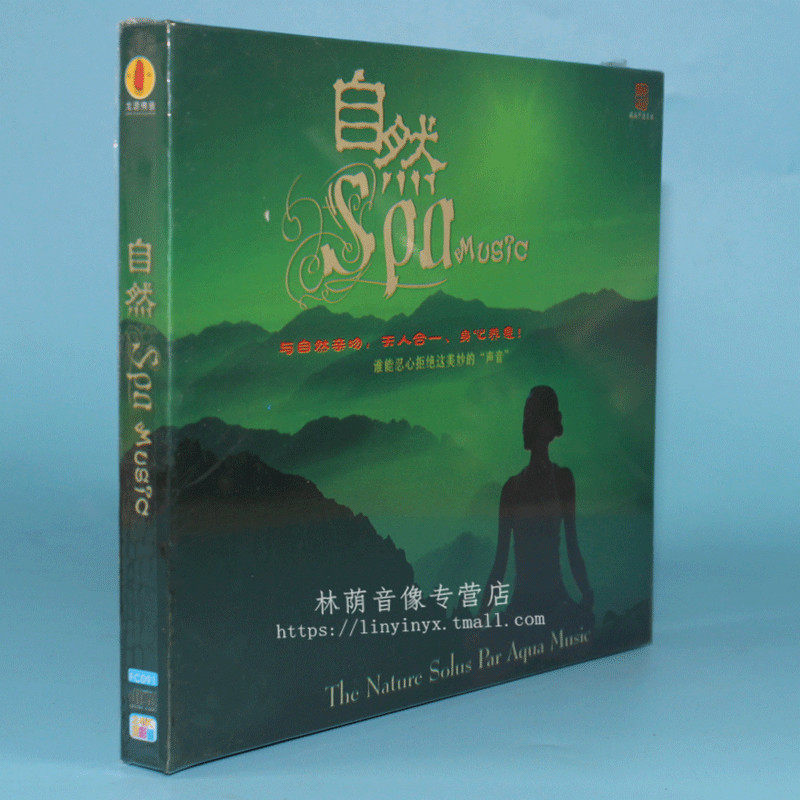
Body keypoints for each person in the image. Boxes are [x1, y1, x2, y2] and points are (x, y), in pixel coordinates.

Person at [481, 386, 594, 633]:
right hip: (524, 606)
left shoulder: (562, 479)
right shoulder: (511, 488)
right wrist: (480, 619)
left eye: (535, 415)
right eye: (527, 416)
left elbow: (572, 548)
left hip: (555, 602)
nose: (528, 423)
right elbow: (499, 565)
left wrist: (587, 595)